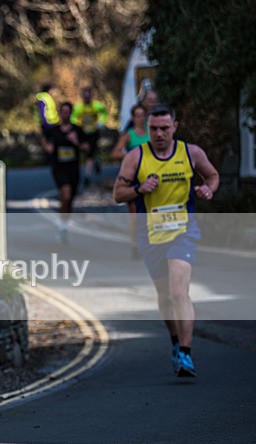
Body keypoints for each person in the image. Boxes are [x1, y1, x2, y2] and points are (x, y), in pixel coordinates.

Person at [113, 104, 219, 377]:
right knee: (163, 296)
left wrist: (208, 189)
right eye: (153, 129)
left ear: (175, 127)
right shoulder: (136, 157)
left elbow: (213, 175)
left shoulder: (190, 153)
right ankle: (175, 342)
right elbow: (118, 194)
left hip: (183, 232)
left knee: (178, 292)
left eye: (164, 128)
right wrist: (139, 188)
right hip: (151, 235)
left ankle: (185, 352)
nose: (158, 134)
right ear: (147, 129)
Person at [42, 102, 89, 244]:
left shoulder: (77, 130)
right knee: (65, 193)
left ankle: (64, 222)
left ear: (71, 113)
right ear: (60, 113)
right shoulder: (54, 130)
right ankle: (62, 225)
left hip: (73, 169)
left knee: (70, 199)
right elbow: (43, 137)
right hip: (59, 168)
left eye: (68, 111)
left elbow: (86, 149)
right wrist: (47, 147)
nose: (65, 114)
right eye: (63, 111)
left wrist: (76, 142)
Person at [112, 103, 150, 258]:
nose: (140, 118)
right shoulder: (129, 135)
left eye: (143, 115)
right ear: (133, 118)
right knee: (134, 214)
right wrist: (132, 155)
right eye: (137, 115)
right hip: (133, 178)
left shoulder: (152, 132)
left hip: (150, 176)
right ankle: (135, 245)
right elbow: (115, 153)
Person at [71, 87, 108, 182]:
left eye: (88, 97)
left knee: (90, 153)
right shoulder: (79, 106)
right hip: (83, 133)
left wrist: (101, 122)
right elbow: (73, 117)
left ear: (91, 96)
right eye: (85, 97)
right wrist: (76, 126)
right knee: (86, 151)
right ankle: (96, 161)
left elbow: (104, 112)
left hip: (94, 132)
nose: (87, 99)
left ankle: (88, 175)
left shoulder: (96, 105)